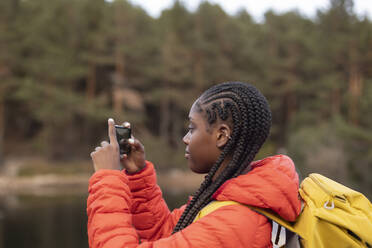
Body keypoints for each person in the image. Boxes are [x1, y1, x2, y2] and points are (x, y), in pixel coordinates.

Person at [87, 81, 302, 248]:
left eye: (192, 128)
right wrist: (138, 177)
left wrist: (108, 179)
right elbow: (169, 233)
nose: (186, 138)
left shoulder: (234, 222)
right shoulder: (231, 201)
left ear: (221, 135)